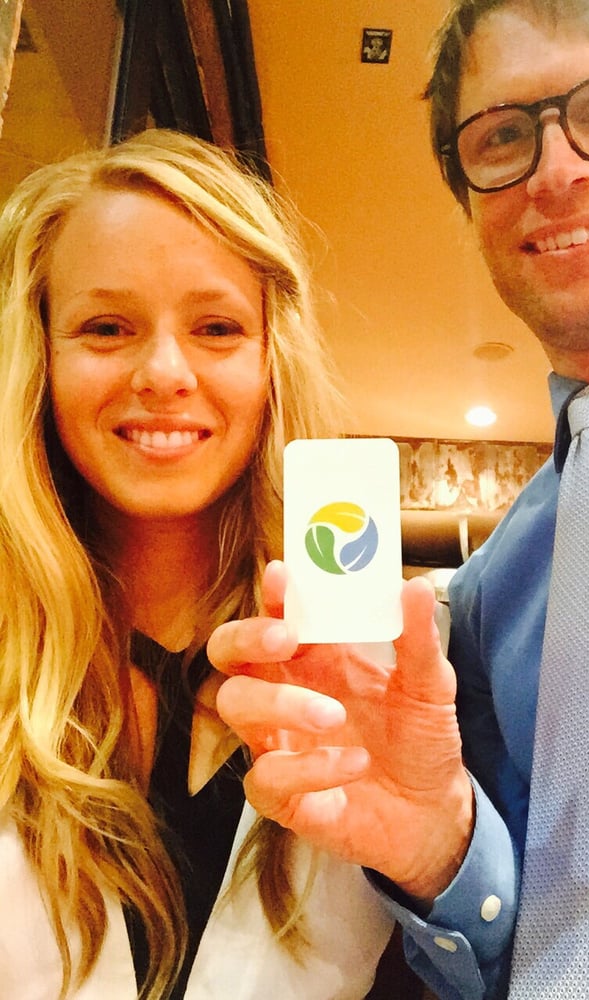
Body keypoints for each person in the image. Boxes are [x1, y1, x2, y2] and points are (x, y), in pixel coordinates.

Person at [208, 0, 589, 997]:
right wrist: (442, 852)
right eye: (503, 135)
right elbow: (518, 950)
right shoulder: (496, 586)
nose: (555, 170)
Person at [0, 127, 405, 999]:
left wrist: (444, 852)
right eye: (106, 327)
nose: (164, 372)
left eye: (217, 328)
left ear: (270, 361)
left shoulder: (384, 661)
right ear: (40, 356)